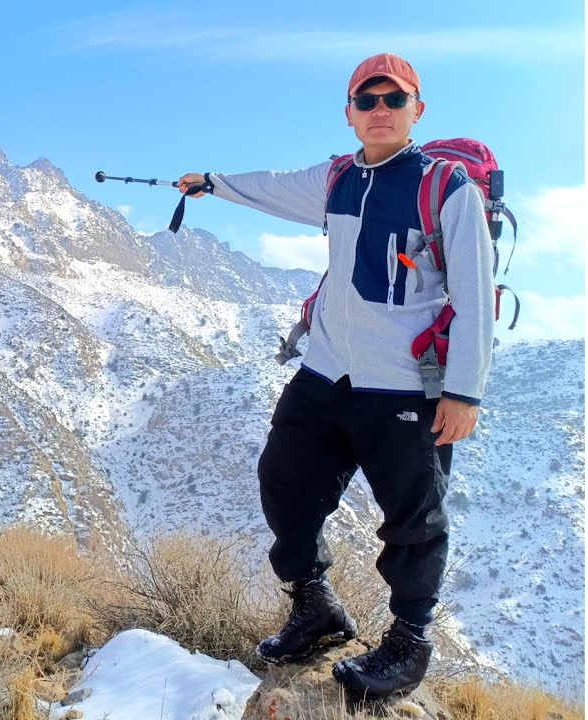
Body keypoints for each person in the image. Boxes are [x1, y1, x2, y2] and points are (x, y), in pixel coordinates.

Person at [176, 53, 495, 697]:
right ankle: (315, 606)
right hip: (327, 373)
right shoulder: (336, 179)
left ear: (417, 111)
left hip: (407, 383)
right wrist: (212, 183)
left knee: (413, 518)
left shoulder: (447, 187)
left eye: (393, 100)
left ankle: (407, 644)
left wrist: (464, 392)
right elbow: (270, 185)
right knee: (284, 481)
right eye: (367, 100)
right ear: (349, 113)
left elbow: (475, 294)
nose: (380, 111)